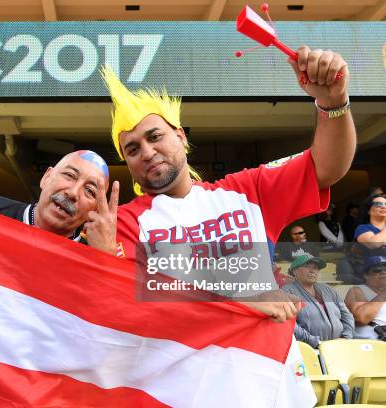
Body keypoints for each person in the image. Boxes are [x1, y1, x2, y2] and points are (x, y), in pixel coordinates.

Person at [104, 45, 356, 324]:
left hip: (269, 365)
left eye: (154, 137)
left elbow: (326, 168)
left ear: (181, 137)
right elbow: (126, 306)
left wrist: (334, 103)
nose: (147, 152)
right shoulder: (123, 222)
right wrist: (239, 300)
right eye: (132, 149)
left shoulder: (246, 191)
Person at [0, 150, 119, 254]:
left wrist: (106, 260)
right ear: (46, 177)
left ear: (95, 211)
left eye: (89, 191)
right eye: (69, 175)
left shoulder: (94, 260)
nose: (73, 193)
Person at [282, 254, 354, 348]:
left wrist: (346, 337)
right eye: (307, 267)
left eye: (315, 268)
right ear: (295, 271)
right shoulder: (286, 291)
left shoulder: (328, 289)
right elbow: (290, 325)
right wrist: (316, 343)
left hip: (340, 347)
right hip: (309, 349)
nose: (312, 271)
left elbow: (347, 315)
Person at [345, 256, 386, 339]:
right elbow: (361, 318)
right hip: (369, 344)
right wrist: (383, 295)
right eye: (377, 269)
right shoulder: (357, 290)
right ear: (366, 275)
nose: (383, 272)